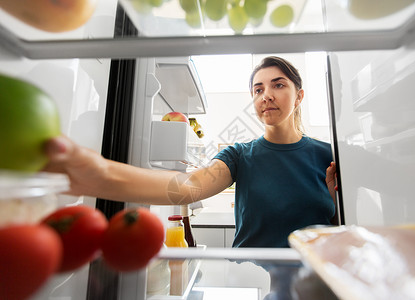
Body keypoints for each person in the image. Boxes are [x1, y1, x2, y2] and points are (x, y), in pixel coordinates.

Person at [44, 56, 338, 248]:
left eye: (278, 85)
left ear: (299, 95)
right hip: (250, 275)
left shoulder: (328, 155)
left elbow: (342, 227)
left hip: (315, 280)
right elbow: (188, 187)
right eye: (258, 90)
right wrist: (99, 175)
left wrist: (337, 205)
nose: (267, 96)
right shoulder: (240, 155)